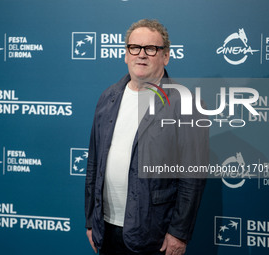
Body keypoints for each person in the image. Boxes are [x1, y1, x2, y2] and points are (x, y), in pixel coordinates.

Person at [85, 19, 209, 255]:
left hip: (154, 235)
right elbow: (93, 163)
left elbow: (192, 178)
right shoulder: (107, 97)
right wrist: (91, 220)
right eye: (135, 47)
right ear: (126, 54)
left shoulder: (186, 104)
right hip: (107, 228)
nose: (141, 55)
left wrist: (179, 233)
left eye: (151, 49)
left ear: (166, 56)